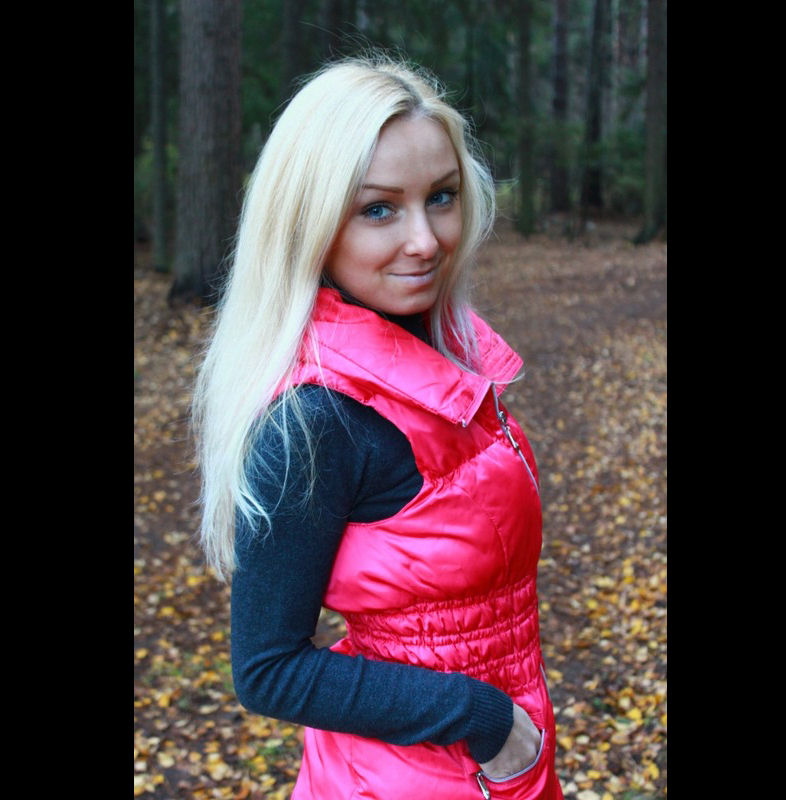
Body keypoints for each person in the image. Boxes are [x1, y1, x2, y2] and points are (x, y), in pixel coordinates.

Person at [193, 55, 564, 800]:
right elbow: (267, 669)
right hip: (406, 777)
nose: (425, 239)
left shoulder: (447, 365)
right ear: (310, 222)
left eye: (441, 197)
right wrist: (483, 718)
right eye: (379, 210)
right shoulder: (315, 421)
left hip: (490, 766)